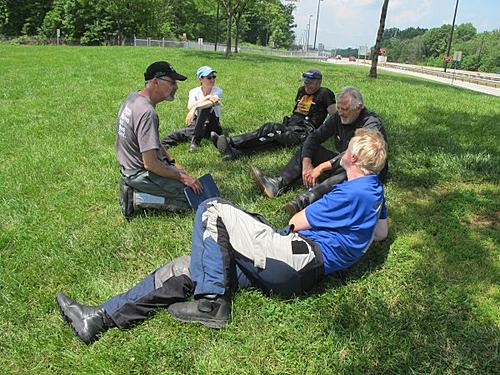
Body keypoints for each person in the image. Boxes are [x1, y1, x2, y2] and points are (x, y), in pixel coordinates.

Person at [56, 128, 388, 344]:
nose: (341, 151)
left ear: (354, 157)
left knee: (213, 209)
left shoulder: (349, 192)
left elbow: (298, 221)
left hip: (295, 257)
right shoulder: (375, 192)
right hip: (303, 273)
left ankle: (212, 304)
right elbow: (381, 234)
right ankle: (99, 319)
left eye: (347, 149)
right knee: (194, 265)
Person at [250, 86, 388, 216]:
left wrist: (322, 166)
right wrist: (307, 162)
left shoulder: (371, 123)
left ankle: (304, 201)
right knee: (310, 149)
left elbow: (358, 156)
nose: (340, 113)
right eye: (338, 108)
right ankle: (276, 184)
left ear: (359, 107)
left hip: (365, 171)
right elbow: (314, 137)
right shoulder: (338, 117)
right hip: (345, 161)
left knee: (352, 168)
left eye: (345, 109)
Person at [116, 61, 202, 218]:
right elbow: (150, 164)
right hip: (139, 173)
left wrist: (172, 162)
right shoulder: (147, 112)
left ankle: (136, 189)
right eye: (172, 82)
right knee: (192, 199)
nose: (176, 87)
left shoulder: (134, 98)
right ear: (155, 82)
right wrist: (183, 177)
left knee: (187, 185)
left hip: (128, 167)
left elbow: (151, 140)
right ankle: (135, 197)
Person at [211, 68, 336, 160]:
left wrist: (330, 134)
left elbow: (334, 116)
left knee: (272, 129)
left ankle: (230, 141)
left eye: (309, 82)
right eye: (305, 82)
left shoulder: (325, 93)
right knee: (272, 138)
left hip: (304, 131)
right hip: (291, 125)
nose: (306, 85)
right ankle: (234, 152)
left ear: (318, 82)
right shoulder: (301, 90)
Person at [161, 66, 223, 152]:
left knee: (205, 107)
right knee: (179, 134)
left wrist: (195, 107)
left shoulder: (218, 90)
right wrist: (207, 97)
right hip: (197, 122)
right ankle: (161, 146)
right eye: (209, 77)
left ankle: (195, 142)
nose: (212, 80)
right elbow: (190, 106)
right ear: (200, 79)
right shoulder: (194, 91)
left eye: (214, 77)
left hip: (213, 124)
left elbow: (211, 103)